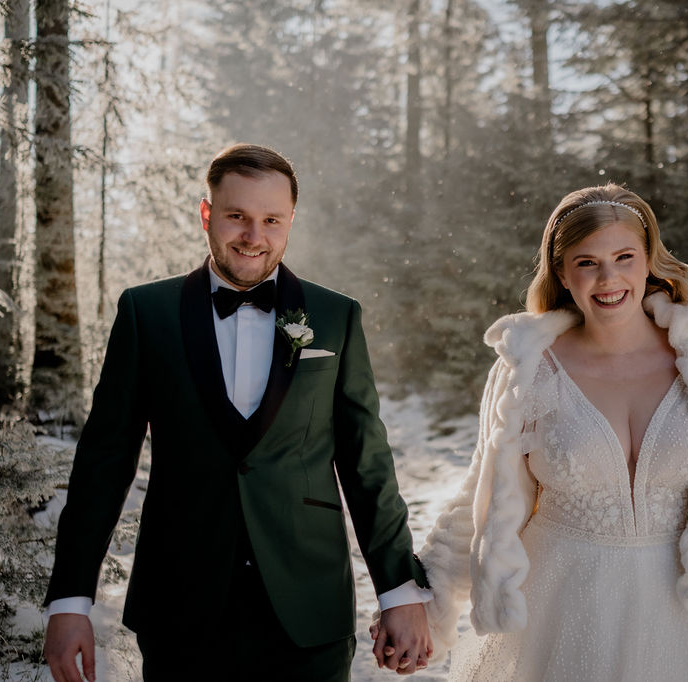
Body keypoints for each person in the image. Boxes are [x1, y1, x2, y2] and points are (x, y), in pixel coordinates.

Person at [376, 183, 688, 680]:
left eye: (624, 257)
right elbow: (482, 501)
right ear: (561, 273)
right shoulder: (528, 367)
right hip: (558, 616)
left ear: (649, 260)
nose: (608, 278)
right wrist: (420, 604)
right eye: (587, 262)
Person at [43, 143, 432, 682]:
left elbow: (367, 465)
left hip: (309, 608)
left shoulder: (336, 316)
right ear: (207, 214)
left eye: (271, 219)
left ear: (291, 220)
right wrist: (70, 600)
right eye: (237, 216)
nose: (254, 236)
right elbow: (104, 462)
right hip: (180, 607)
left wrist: (400, 591)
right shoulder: (145, 313)